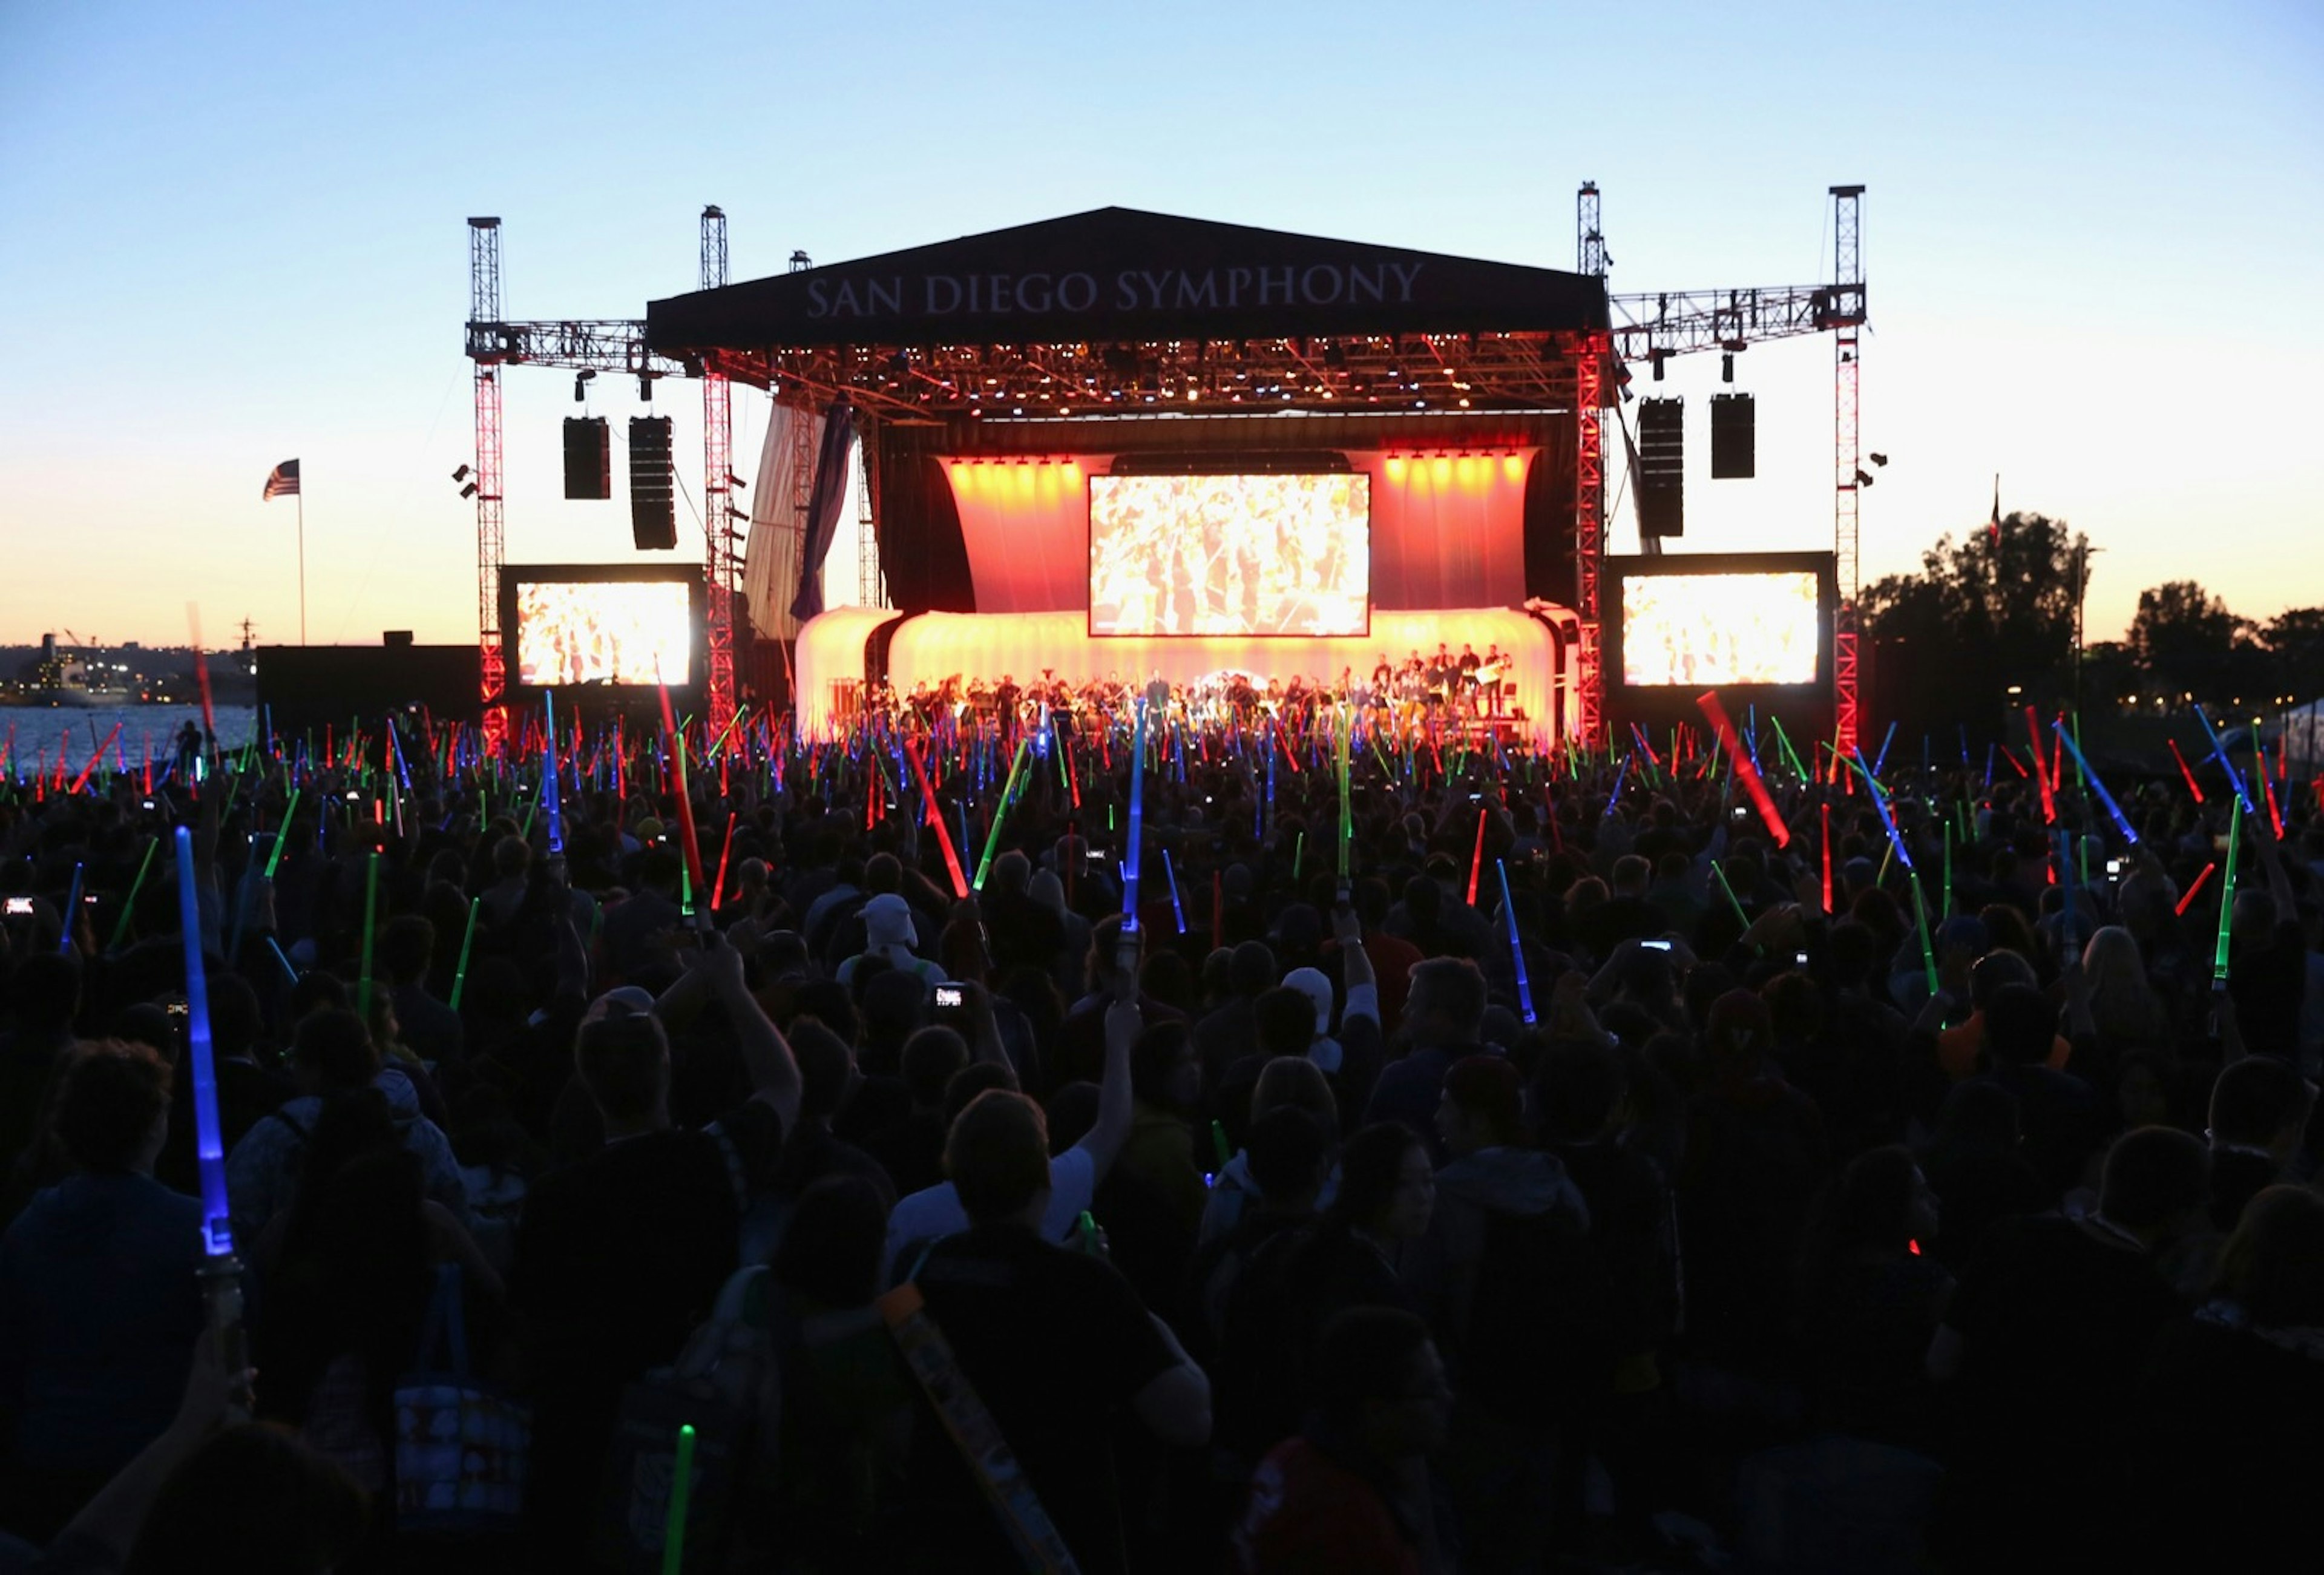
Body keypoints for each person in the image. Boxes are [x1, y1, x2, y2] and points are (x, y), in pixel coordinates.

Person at [510, 932, 800, 1565]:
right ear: (669, 1068)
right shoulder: (713, 1162)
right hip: (692, 1437)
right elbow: (781, 1084)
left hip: (580, 1445)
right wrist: (728, 985)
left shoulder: (555, 1197)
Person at [899, 1086, 1210, 1574]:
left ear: (956, 1177)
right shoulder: (1086, 1288)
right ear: (1044, 1177)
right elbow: (1189, 1419)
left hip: (942, 1542)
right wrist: (1130, 1301)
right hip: (1063, 1545)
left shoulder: (919, 1271)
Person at [0, 1041, 205, 1544]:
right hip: (155, 1467)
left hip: (48, 1463)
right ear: (154, 1125)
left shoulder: (26, 1231)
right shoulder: (194, 1230)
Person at [1233, 1306, 1453, 1574]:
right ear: (1376, 1410)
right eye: (1431, 1389)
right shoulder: (1352, 1524)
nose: (1447, 1399)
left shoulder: (1287, 1458)